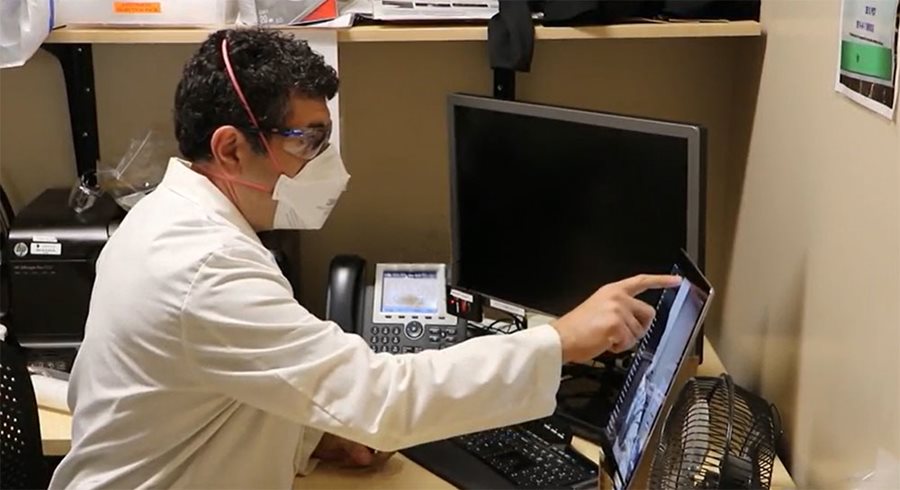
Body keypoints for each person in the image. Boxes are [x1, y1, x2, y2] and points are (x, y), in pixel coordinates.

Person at [48, 28, 679, 489]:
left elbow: (216, 391)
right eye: (307, 140)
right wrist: (561, 341)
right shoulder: (204, 266)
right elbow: (382, 397)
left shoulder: (165, 216)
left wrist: (311, 435)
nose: (323, 162)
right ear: (231, 149)